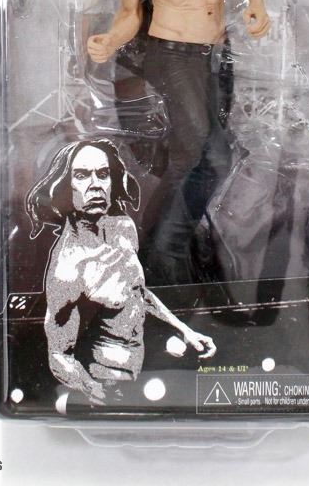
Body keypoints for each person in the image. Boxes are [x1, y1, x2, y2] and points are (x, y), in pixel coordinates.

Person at [86, 0, 270, 284]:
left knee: (212, 156)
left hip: (216, 49)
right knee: (202, 151)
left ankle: (174, 247)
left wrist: (257, 2)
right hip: (171, 51)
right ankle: (161, 258)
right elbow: (130, 13)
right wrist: (109, 40)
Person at [27, 138, 216, 407]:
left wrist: (185, 330)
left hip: (145, 373)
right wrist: (94, 392)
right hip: (107, 384)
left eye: (103, 174)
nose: (95, 184)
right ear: (65, 187)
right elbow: (58, 355)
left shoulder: (122, 229)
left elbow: (136, 290)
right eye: (82, 175)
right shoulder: (67, 270)